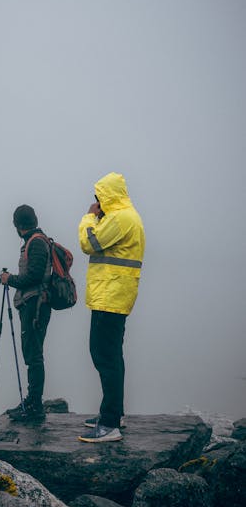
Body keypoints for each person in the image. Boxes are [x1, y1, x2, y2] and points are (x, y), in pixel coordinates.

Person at [77, 173, 145, 443]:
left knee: (104, 355)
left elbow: (88, 243)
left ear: (108, 195)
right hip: (114, 294)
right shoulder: (126, 216)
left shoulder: (121, 218)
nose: (97, 202)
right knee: (112, 356)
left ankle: (109, 424)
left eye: (99, 198)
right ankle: (115, 414)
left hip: (111, 295)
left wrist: (89, 217)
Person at [0, 205, 52, 423]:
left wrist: (9, 279)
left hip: (35, 305)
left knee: (33, 354)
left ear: (17, 225)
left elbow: (35, 277)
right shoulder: (35, 241)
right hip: (33, 304)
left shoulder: (36, 242)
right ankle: (32, 402)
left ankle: (34, 405)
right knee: (32, 353)